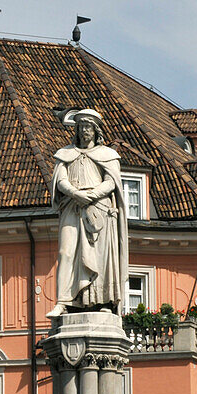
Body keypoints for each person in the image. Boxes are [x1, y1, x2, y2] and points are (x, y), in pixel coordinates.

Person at [46, 109, 128, 318]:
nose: (84, 131)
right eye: (81, 127)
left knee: (99, 258)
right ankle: (64, 301)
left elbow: (112, 182)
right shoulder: (65, 153)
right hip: (72, 207)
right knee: (66, 252)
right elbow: (60, 180)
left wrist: (91, 195)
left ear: (96, 130)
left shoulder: (107, 155)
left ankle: (103, 300)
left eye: (88, 127)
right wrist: (75, 194)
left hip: (98, 211)